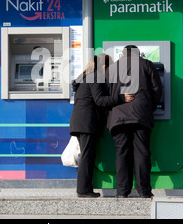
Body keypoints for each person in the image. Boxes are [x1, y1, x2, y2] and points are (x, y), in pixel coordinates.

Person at [69, 54, 133, 198]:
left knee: (87, 155)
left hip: (81, 121)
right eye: (109, 66)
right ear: (103, 66)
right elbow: (100, 101)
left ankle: (84, 188)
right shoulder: (95, 77)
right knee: (87, 156)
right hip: (86, 122)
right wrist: (122, 98)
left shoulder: (85, 77)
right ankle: (84, 190)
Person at [107, 45, 162, 198]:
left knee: (122, 153)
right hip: (140, 115)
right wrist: (148, 106)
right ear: (138, 54)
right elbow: (157, 89)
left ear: (123, 54)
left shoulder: (112, 68)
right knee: (142, 153)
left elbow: (107, 92)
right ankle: (144, 191)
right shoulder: (146, 64)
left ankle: (122, 192)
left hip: (118, 116)